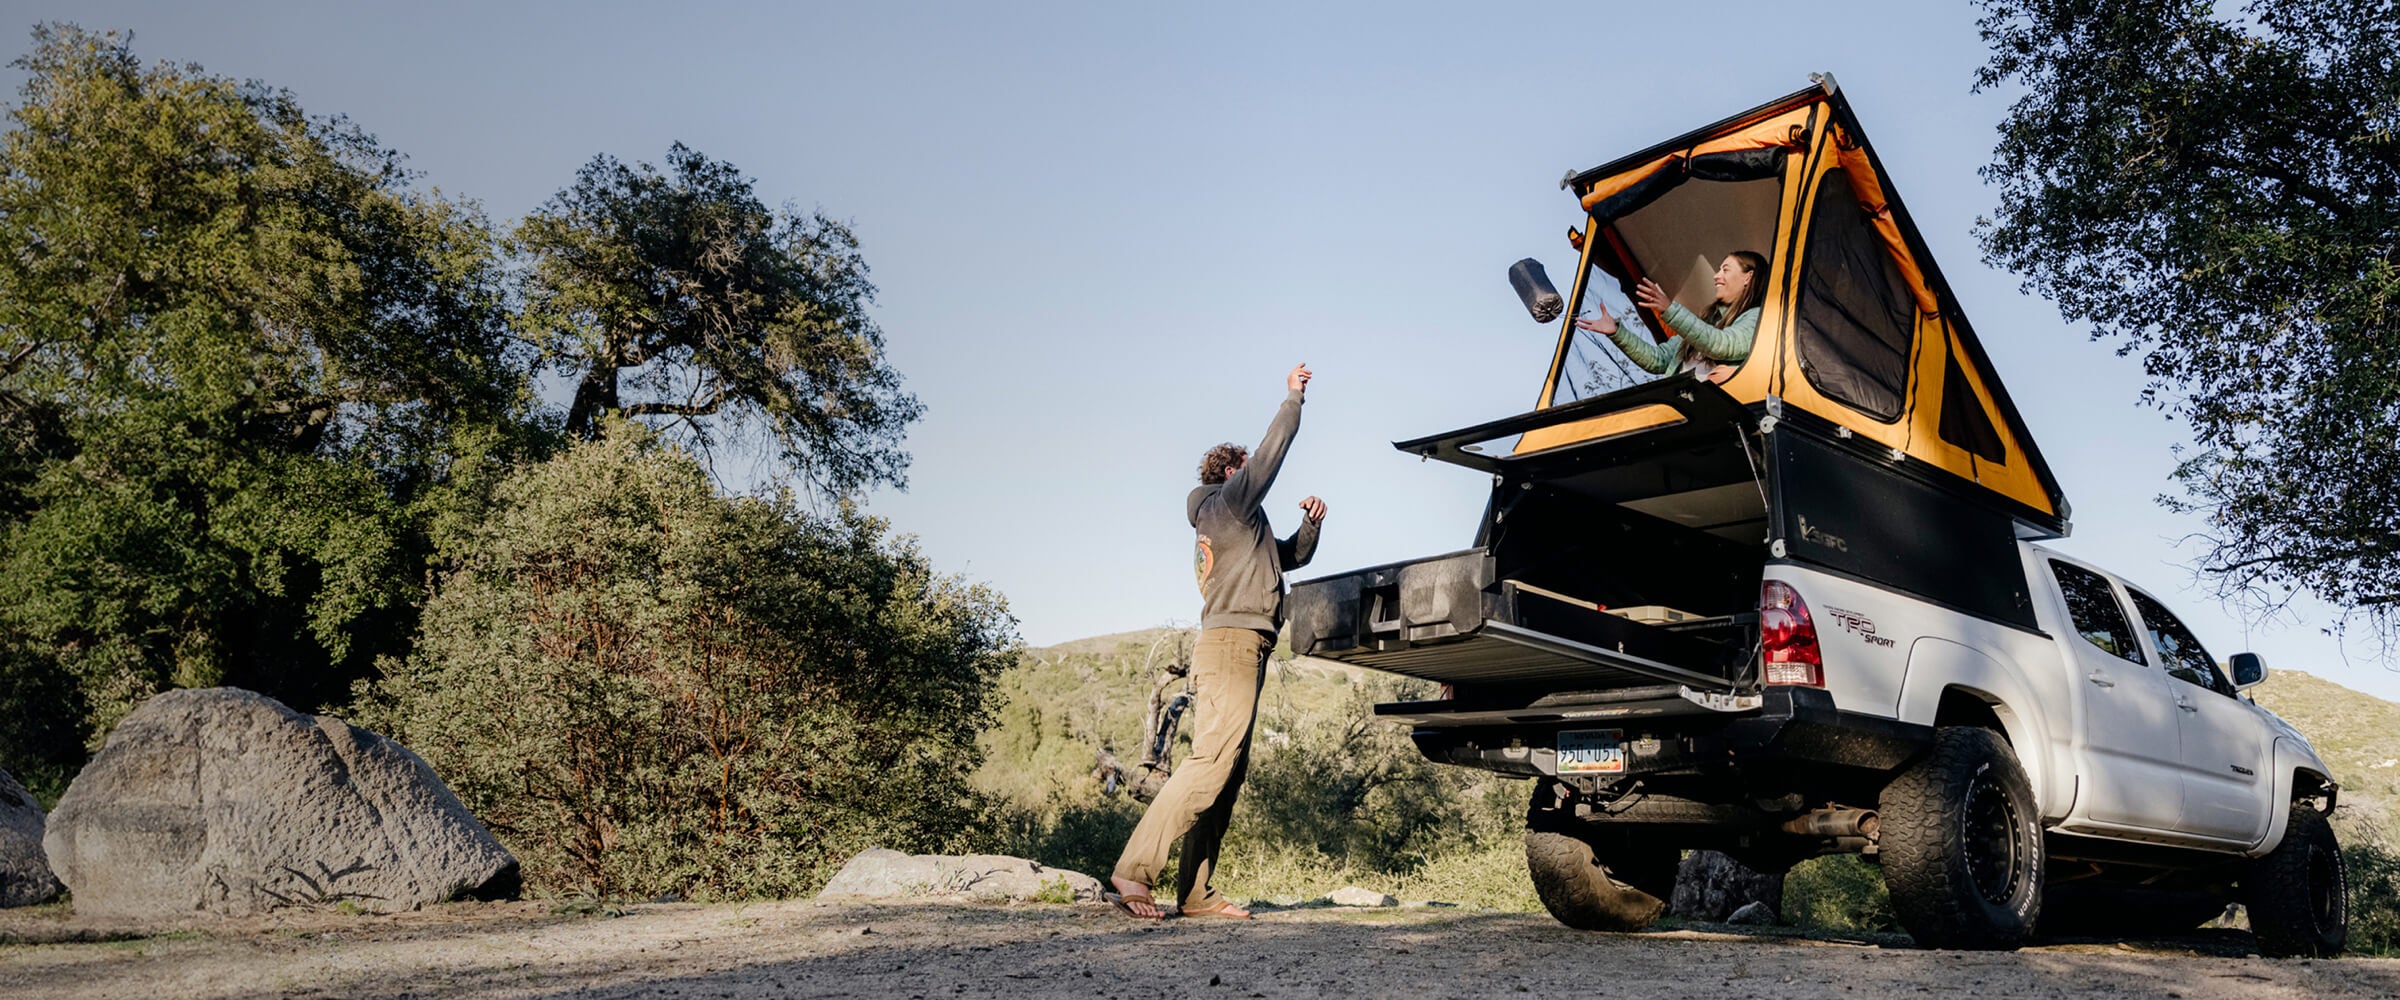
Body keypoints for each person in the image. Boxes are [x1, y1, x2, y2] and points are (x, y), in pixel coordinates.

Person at [1106, 363, 1328, 921]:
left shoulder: (1240, 526)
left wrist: (1311, 526)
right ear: (1231, 472)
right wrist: (1293, 400)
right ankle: (1133, 871)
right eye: (1245, 469)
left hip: (1245, 647)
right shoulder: (1226, 504)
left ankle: (1196, 894)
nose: (1254, 474)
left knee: (1226, 772)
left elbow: (1291, 557)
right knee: (1209, 763)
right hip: (1231, 645)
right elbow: (1272, 451)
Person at [1576, 250, 1767, 384]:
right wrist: (1617, 332)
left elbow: (1721, 345)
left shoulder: (1756, 317)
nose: (1716, 276)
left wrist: (1670, 310)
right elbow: (1658, 360)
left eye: (1725, 269)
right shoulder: (1706, 321)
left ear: (1748, 277)